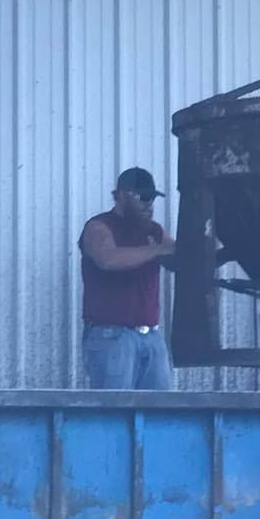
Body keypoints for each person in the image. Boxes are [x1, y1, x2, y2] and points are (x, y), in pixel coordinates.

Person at [78, 167, 175, 389]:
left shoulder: (154, 231)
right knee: (114, 415)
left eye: (152, 197)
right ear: (120, 196)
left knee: (161, 413)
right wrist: (156, 251)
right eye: (143, 197)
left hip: (151, 336)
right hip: (111, 337)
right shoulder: (98, 227)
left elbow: (178, 256)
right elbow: (107, 259)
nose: (149, 203)